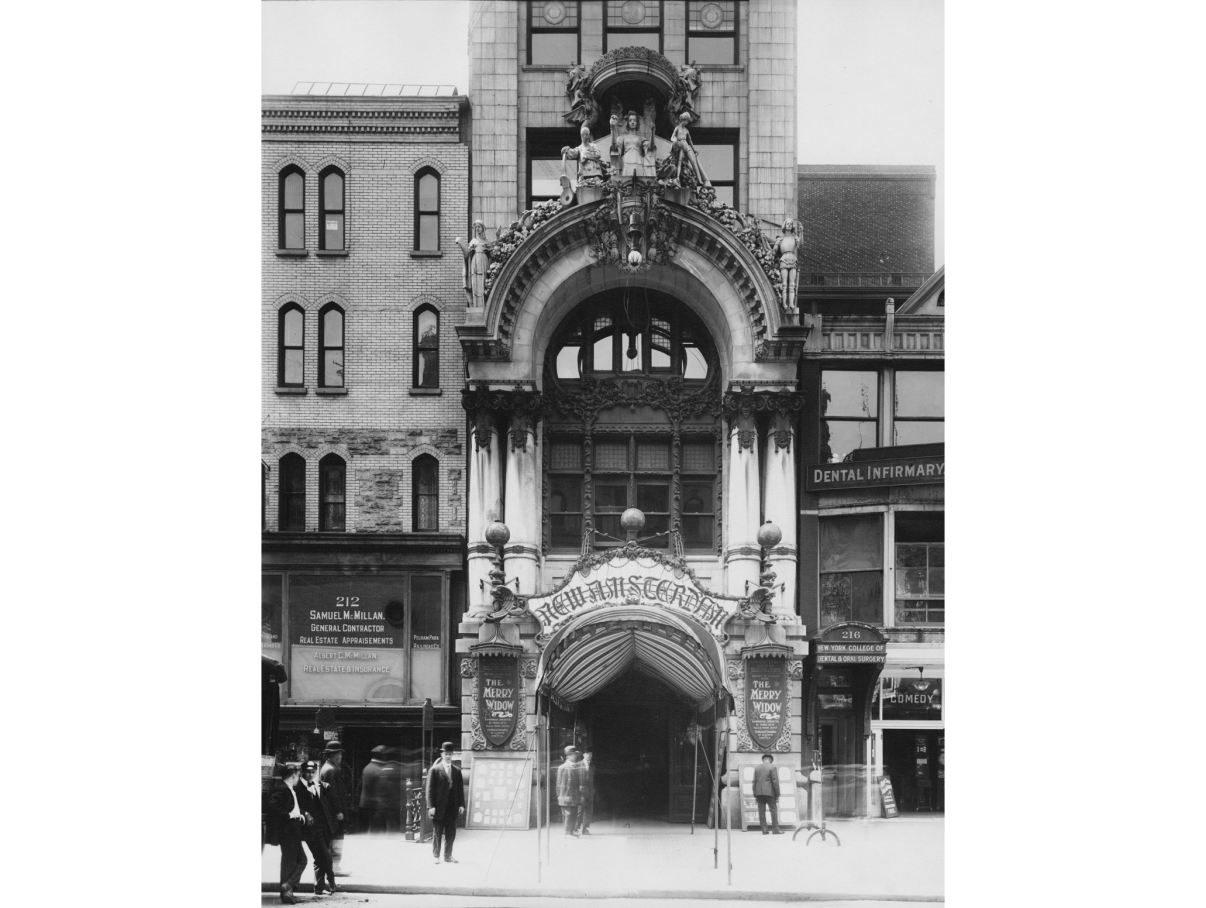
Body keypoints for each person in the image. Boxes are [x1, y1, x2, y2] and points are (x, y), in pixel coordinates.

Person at [264, 762, 308, 904]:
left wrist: (298, 815)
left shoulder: (288, 788)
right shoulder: (282, 789)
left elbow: (289, 806)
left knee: (299, 860)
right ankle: (287, 890)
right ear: (293, 775)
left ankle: (288, 887)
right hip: (288, 829)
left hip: (293, 827)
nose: (298, 777)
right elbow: (272, 806)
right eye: (297, 775)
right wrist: (288, 816)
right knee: (292, 861)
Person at [296, 762, 336, 894]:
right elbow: (292, 805)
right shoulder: (296, 787)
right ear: (302, 772)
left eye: (313, 772)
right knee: (326, 856)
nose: (310, 774)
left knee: (320, 858)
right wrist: (304, 813)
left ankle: (319, 888)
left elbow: (327, 796)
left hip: (324, 826)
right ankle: (331, 880)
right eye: (308, 772)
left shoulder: (319, 784)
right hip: (310, 829)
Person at [425, 742, 466, 864]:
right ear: (442, 754)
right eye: (446, 754)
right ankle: (436, 856)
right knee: (437, 832)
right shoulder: (435, 770)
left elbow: (459, 790)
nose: (448, 756)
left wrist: (461, 804)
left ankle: (448, 856)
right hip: (438, 807)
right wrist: (431, 806)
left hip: (452, 807)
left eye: (450, 754)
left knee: (451, 833)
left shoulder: (457, 771)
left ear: (452, 755)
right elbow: (430, 789)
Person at [319, 741, 350, 876]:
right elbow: (333, 794)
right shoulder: (330, 770)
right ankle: (335, 867)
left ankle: (332, 866)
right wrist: (338, 811)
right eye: (336, 754)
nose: (339, 757)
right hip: (334, 813)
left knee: (333, 839)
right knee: (337, 838)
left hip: (330, 812)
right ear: (330, 755)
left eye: (340, 754)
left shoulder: (327, 768)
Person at [360, 745, 403, 833]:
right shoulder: (378, 769)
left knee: (373, 826)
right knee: (376, 828)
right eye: (384, 755)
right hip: (376, 804)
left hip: (367, 803)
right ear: (381, 756)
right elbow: (382, 788)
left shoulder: (368, 767)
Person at [454, 221, 491, 309]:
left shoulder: (487, 242)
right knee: (476, 283)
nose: (477, 229)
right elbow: (467, 255)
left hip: (484, 262)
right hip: (475, 262)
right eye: (476, 227)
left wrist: (497, 237)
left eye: (479, 227)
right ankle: (476, 306)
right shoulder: (473, 241)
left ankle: (484, 305)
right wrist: (462, 244)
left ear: (483, 228)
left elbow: (492, 255)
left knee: (484, 282)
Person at [772, 219, 801, 314]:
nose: (789, 225)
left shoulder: (795, 238)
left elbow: (801, 245)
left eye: (790, 224)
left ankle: (791, 304)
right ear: (785, 225)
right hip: (783, 259)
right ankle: (784, 304)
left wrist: (801, 232)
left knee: (792, 285)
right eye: (787, 223)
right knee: (784, 284)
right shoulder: (780, 239)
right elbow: (774, 250)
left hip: (793, 259)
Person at [752, 753, 783, 835]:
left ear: (763, 759)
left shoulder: (757, 768)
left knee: (761, 811)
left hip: (759, 792)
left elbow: (754, 782)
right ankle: (775, 830)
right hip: (770, 793)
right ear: (771, 760)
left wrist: (755, 793)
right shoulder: (772, 767)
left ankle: (764, 830)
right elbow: (775, 782)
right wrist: (777, 794)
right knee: (773, 810)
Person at [556, 745, 582, 837]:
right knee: (568, 814)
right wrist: (560, 796)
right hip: (566, 796)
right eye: (574, 754)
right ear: (569, 756)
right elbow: (559, 784)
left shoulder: (575, 767)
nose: (575, 756)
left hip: (574, 796)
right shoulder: (562, 767)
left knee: (573, 814)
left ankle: (571, 832)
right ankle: (567, 833)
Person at [576, 751, 596, 835]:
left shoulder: (593, 766)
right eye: (587, 753)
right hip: (581, 791)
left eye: (591, 754)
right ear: (583, 754)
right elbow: (575, 779)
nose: (589, 755)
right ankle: (575, 828)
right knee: (579, 810)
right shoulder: (578, 765)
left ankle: (585, 829)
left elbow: (593, 780)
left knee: (588, 810)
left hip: (590, 791)